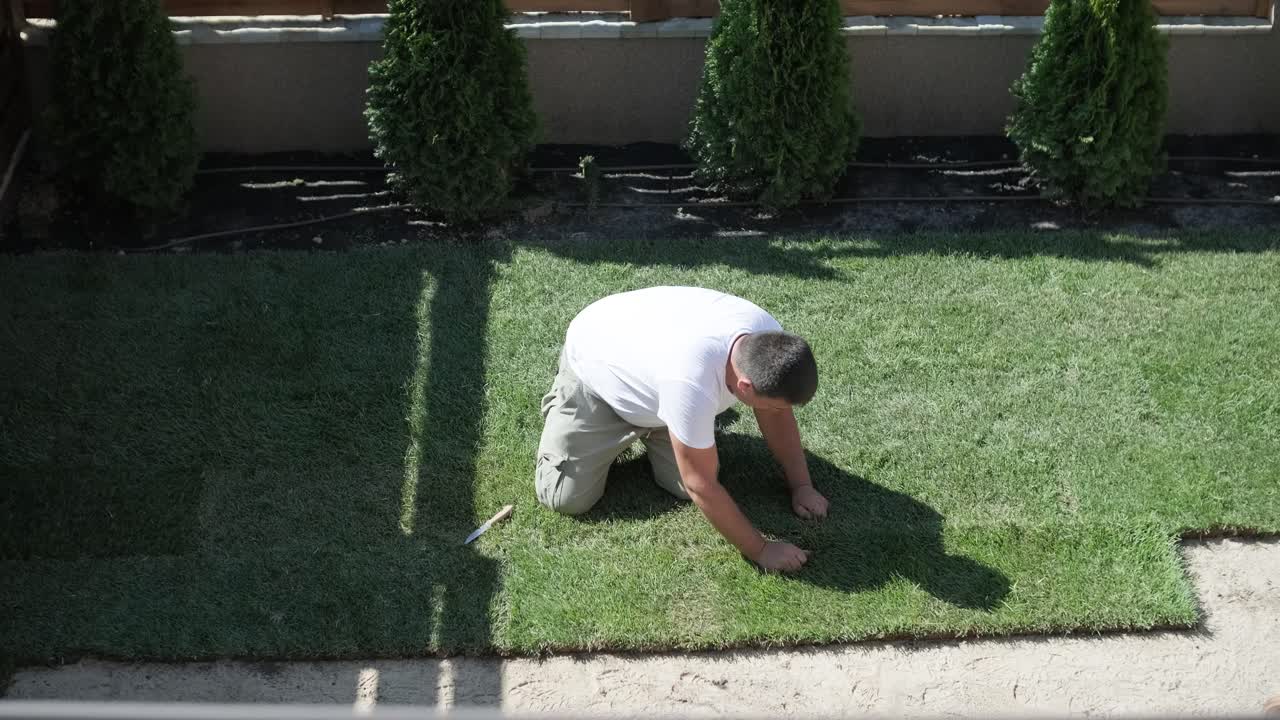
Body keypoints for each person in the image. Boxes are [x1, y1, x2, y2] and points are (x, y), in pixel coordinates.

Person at [535, 286, 827, 573]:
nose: (780, 412)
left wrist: (802, 486)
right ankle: (568, 410)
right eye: (775, 406)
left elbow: (777, 415)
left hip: (661, 375)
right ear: (744, 386)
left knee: (684, 486)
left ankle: (662, 419)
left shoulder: (768, 340)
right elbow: (700, 484)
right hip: (599, 371)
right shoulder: (690, 380)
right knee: (565, 497)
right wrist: (762, 550)